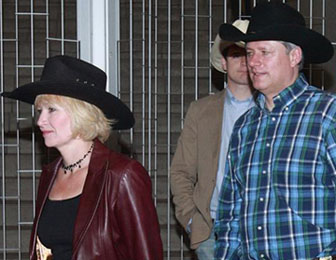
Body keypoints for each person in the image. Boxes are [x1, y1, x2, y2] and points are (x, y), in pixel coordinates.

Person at [1, 55, 163, 260]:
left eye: (52, 110)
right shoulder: (50, 174)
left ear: (82, 114)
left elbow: (146, 254)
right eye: (40, 111)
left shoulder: (122, 175)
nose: (41, 120)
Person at [214, 2, 335, 260]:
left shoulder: (327, 114)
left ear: (294, 56)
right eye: (249, 53)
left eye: (265, 52)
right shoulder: (245, 126)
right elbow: (230, 213)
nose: (253, 62)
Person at [170, 19, 255, 259]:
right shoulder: (201, 110)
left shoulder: (270, 109)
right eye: (237, 54)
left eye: (249, 54)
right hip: (212, 229)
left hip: (259, 229)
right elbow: (181, 171)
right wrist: (192, 221)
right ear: (223, 63)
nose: (244, 62)